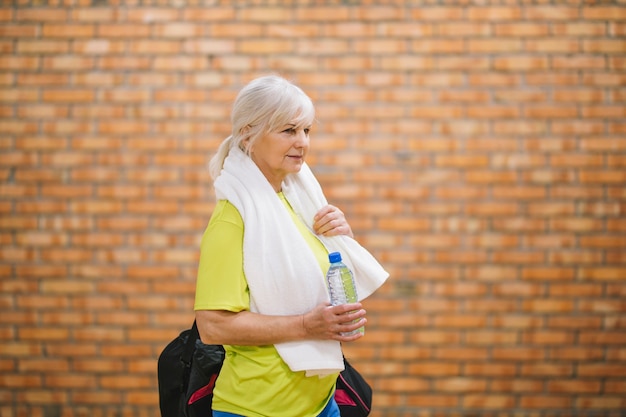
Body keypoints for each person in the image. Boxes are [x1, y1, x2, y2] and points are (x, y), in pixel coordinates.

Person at [194, 75, 388, 417]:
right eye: (288, 130)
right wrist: (306, 326)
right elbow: (213, 326)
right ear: (248, 134)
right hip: (256, 408)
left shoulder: (300, 202)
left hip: (321, 403)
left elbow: (319, 276)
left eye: (307, 131)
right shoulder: (232, 218)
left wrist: (341, 237)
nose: (302, 142)